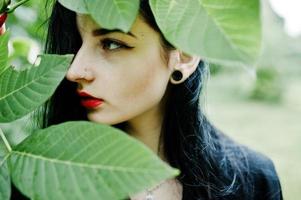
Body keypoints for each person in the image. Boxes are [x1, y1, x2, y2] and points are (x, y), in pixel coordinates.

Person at [11, 0, 283, 199]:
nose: (74, 71)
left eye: (112, 44)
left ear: (185, 55)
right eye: (75, 44)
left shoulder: (254, 181)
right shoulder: (36, 177)